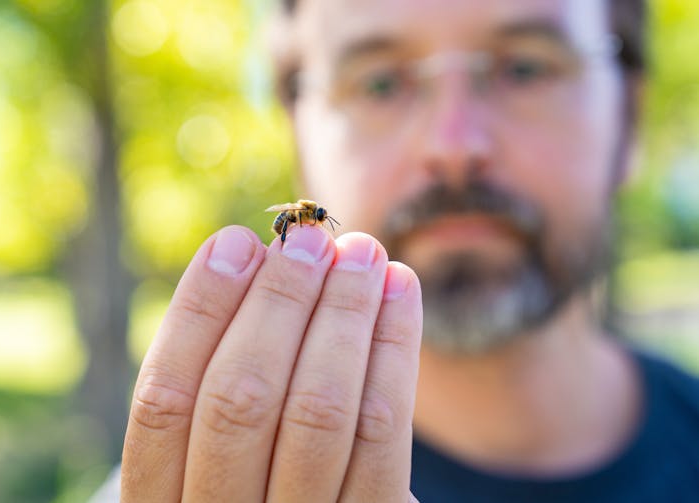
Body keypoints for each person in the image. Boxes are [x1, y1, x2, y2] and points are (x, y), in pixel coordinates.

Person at [93, 0, 699, 501]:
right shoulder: (178, 486)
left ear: (631, 115)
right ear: (299, 138)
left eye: (525, 69)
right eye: (379, 82)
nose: (454, 145)